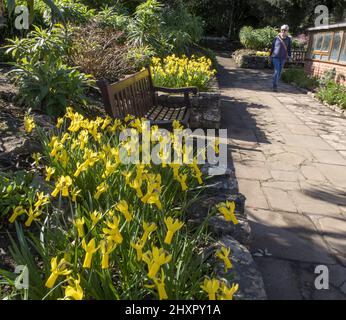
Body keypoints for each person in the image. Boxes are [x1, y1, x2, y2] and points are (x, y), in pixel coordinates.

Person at [270, 25, 292, 92]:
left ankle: (275, 82)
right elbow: (272, 47)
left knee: (279, 72)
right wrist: (270, 55)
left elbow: (289, 49)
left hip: (283, 58)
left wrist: (290, 56)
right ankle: (275, 86)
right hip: (275, 57)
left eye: (285, 30)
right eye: (282, 29)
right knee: (277, 71)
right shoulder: (276, 38)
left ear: (287, 31)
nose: (283, 31)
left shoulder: (288, 39)